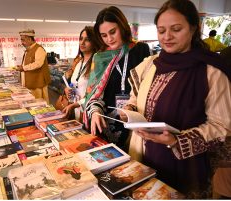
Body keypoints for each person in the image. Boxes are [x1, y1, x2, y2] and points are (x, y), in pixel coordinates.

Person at [120, 0, 231, 198]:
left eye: (176, 29)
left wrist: (177, 141)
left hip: (186, 166)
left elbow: (222, 126)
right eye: (161, 31)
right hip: (144, 153)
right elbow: (135, 97)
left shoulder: (211, 71)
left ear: (194, 28)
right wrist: (129, 110)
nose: (167, 37)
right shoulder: (151, 64)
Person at [83, 6, 150, 151]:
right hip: (105, 121)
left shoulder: (140, 50)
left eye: (113, 32)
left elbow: (147, 87)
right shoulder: (100, 57)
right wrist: (94, 111)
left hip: (134, 119)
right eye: (104, 35)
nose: (109, 39)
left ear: (122, 26)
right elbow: (93, 93)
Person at [62, 26, 100, 121]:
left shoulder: (97, 64)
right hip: (76, 109)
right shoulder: (78, 62)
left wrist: (76, 104)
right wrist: (67, 89)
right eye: (81, 39)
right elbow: (74, 84)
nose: (82, 43)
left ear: (94, 42)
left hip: (90, 111)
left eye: (87, 40)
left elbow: (95, 93)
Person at [17, 29, 51, 103]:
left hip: (37, 84)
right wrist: (22, 66)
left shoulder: (39, 49)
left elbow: (38, 64)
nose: (22, 43)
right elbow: (29, 63)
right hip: (30, 83)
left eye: (23, 40)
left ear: (29, 39)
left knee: (39, 104)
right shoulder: (28, 50)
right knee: (32, 104)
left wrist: (23, 68)